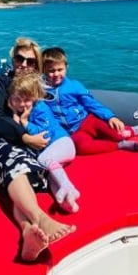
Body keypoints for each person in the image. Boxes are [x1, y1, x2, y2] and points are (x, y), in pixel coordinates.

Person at [0, 37, 76, 261]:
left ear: (36, 66)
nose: (23, 65)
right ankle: (41, 218)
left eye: (30, 61)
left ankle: (28, 231)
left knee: (24, 175)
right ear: (12, 58)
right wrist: (25, 137)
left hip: (18, 147)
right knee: (15, 164)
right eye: (19, 59)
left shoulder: (31, 88)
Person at [39, 46, 138, 154]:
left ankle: (133, 131)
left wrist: (111, 117)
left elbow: (92, 104)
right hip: (73, 131)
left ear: (66, 67)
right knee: (82, 148)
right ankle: (120, 145)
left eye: (60, 70)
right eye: (51, 71)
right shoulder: (41, 90)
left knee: (117, 134)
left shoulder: (74, 86)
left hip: (89, 121)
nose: (56, 74)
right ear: (44, 70)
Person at [16, 74, 81, 213]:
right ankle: (67, 203)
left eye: (26, 100)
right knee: (50, 176)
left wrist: (25, 123)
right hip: (55, 151)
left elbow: (44, 134)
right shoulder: (30, 108)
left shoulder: (41, 108)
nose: (22, 104)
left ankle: (68, 186)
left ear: (35, 96)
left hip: (63, 143)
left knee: (43, 160)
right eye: (19, 100)